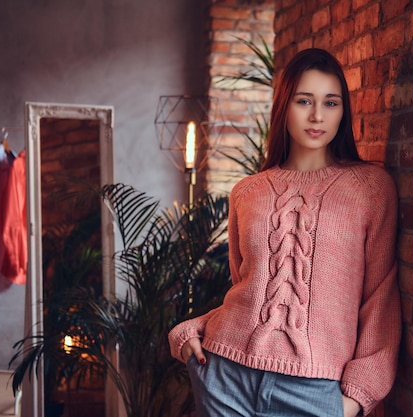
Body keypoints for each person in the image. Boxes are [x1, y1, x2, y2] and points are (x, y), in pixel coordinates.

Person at [168, 47, 401, 417]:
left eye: (331, 103)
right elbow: (250, 288)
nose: (317, 115)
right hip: (226, 375)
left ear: (344, 111)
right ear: (284, 106)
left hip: (315, 389)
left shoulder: (370, 188)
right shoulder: (248, 191)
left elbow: (381, 297)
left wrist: (356, 397)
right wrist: (190, 331)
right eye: (304, 100)